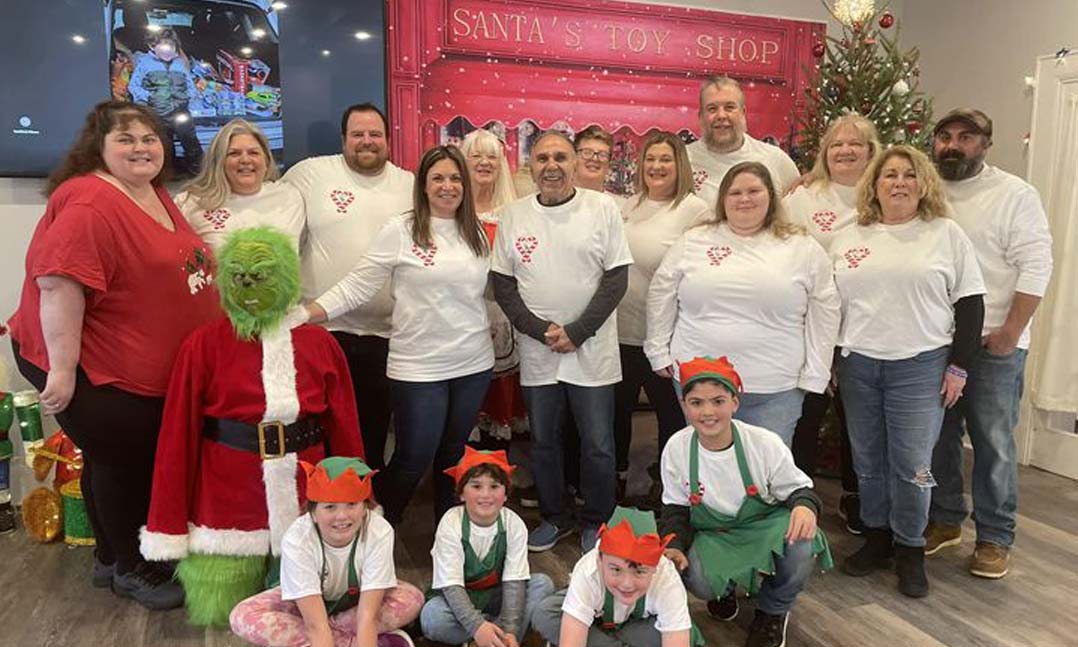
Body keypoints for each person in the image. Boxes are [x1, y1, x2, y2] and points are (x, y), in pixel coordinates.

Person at [7, 100, 221, 608]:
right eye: (125, 139)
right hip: (94, 366)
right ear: (98, 147)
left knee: (115, 460)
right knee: (125, 461)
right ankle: (134, 568)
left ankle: (109, 556)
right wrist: (61, 371)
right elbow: (59, 285)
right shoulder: (88, 201)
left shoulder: (147, 192)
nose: (141, 147)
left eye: (149, 138)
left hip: (136, 368)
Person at [140, 227, 366, 626]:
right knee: (224, 612)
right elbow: (178, 437)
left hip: (306, 490)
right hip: (227, 494)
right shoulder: (203, 345)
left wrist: (358, 495)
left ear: (284, 280)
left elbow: (344, 426)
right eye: (239, 276)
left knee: (311, 602)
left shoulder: (319, 344)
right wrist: (169, 521)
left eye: (260, 276)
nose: (249, 285)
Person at [305, 146, 494, 527]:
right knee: (413, 456)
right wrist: (304, 313)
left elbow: (501, 289)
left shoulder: (478, 232)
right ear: (423, 185)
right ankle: (374, 527)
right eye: (438, 178)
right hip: (417, 366)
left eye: (455, 178)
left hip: (473, 363)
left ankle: (448, 537)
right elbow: (358, 285)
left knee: (453, 457)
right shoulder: (401, 229)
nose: (447, 186)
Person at [832, 145, 986, 598]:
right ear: (874, 185)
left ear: (923, 185)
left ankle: (911, 547)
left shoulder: (945, 234)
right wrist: (830, 361)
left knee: (914, 464)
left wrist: (959, 366)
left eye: (909, 175)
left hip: (921, 364)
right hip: (858, 362)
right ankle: (877, 537)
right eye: (889, 175)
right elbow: (829, 304)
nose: (899, 182)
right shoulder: (849, 235)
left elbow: (972, 304)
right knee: (868, 459)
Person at [925, 109, 1053, 579]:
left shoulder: (1014, 195)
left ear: (985, 143)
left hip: (993, 341)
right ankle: (944, 519)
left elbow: (1037, 265)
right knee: (938, 437)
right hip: (935, 341)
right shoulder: (925, 189)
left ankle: (996, 537)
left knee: (992, 441)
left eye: (966, 137)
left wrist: (1011, 332)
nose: (953, 145)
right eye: (944, 136)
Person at [491, 130, 633, 552]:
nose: (551, 166)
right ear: (529, 166)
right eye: (541, 158)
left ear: (574, 163)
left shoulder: (602, 207)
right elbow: (503, 283)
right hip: (539, 352)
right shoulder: (514, 214)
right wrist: (540, 331)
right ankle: (555, 516)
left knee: (598, 444)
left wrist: (577, 331)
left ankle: (597, 519)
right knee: (545, 441)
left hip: (592, 349)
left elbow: (616, 278)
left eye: (560, 157)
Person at [646, 162, 840, 446]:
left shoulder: (802, 246)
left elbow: (825, 308)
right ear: (723, 199)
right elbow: (661, 292)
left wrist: (817, 372)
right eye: (735, 192)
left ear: (771, 197)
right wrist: (657, 350)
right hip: (701, 383)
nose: (744, 199)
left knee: (762, 473)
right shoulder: (694, 240)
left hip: (775, 387)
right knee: (709, 468)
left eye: (754, 191)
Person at [659, 356, 831, 647]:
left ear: (735, 403)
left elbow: (800, 489)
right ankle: (722, 589)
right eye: (697, 403)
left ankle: (773, 611)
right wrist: (674, 546)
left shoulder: (763, 443)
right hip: (714, 535)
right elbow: (675, 511)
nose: (708, 412)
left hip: (764, 525)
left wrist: (804, 506)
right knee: (697, 579)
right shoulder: (676, 448)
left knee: (802, 540)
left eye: (718, 401)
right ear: (684, 405)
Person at [284, 103, 414, 470]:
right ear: (343, 139)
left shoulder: (410, 185)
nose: (366, 142)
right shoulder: (309, 175)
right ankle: (319, 513)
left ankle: (364, 510)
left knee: (370, 434)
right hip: (321, 333)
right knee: (315, 434)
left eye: (375, 134)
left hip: (386, 337)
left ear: (388, 140)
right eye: (357, 134)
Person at [783, 114, 881, 534]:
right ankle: (800, 496)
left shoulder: (882, 194)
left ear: (871, 151)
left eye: (855, 144)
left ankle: (858, 496)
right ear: (825, 151)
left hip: (864, 330)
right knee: (806, 414)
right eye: (836, 144)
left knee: (859, 421)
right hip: (810, 327)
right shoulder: (803, 196)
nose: (844, 151)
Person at [229, 457, 423, 647]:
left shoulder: (379, 530)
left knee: (412, 599)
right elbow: (315, 625)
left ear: (365, 508)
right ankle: (355, 641)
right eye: (330, 507)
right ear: (312, 513)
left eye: (352, 504)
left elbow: (367, 616)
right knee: (242, 616)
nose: (342, 516)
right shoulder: (297, 539)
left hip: (357, 602)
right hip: (304, 606)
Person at [616, 132, 708, 502]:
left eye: (665, 159)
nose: (657, 166)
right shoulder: (629, 205)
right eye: (650, 159)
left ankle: (668, 485)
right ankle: (617, 478)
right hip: (619, 331)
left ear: (680, 165)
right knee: (617, 413)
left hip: (665, 339)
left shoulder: (694, 210)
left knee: (671, 417)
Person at [420, 446, 555, 646]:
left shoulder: (514, 524)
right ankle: (493, 636)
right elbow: (451, 586)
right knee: (432, 617)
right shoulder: (451, 522)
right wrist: (478, 627)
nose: (486, 495)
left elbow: (514, 582)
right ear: (462, 493)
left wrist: (510, 629)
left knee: (542, 584)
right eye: (476, 486)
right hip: (459, 597)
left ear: (506, 493)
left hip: (496, 594)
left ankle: (499, 639)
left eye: (494, 486)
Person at [531, 506, 697, 647]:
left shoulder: (667, 579)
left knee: (686, 634)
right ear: (599, 559)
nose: (627, 584)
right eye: (616, 570)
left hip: (634, 625)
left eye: (639, 572)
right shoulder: (588, 570)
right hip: (596, 617)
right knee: (546, 614)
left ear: (656, 568)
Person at [459, 128, 526, 444]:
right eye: (476, 155)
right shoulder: (449, 214)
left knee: (499, 405)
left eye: (492, 156)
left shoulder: (513, 214)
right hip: (458, 320)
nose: (484, 163)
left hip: (502, 320)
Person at [176, 118, 304, 252]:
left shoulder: (291, 195)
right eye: (234, 153)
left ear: (266, 160)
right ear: (219, 162)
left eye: (253, 153)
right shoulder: (189, 203)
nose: (245, 160)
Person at [687, 77, 799, 209]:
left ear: (743, 113)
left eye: (729, 107)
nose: (721, 116)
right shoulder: (683, 159)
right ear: (700, 116)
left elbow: (798, 209)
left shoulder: (775, 159)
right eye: (712, 109)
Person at [127, 29, 202, 173]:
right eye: (163, 45)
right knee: (164, 144)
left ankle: (197, 171)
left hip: (181, 110)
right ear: (152, 46)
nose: (168, 49)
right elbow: (134, 86)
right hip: (158, 112)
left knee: (190, 140)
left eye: (171, 45)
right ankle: (168, 172)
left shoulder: (179, 63)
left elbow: (190, 84)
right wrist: (149, 98)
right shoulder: (144, 63)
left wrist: (189, 96)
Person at [573, 125, 615, 193]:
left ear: (609, 164)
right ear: (573, 158)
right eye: (587, 152)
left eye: (602, 154)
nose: (595, 159)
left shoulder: (616, 203)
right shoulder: (556, 200)